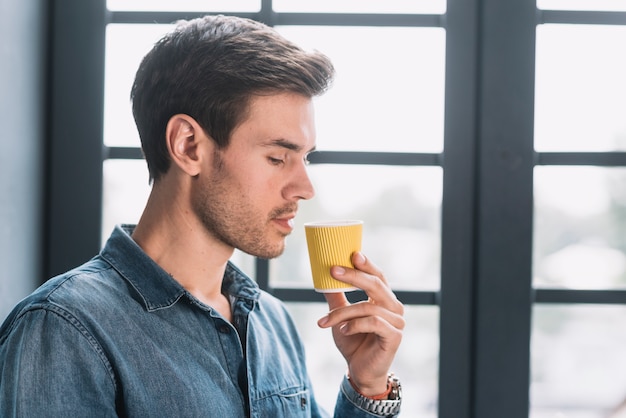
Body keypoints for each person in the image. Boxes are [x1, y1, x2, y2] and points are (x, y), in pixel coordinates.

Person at [0, 15, 404, 417]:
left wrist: (367, 387)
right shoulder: (64, 329)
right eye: (277, 157)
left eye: (305, 158)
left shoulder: (271, 323)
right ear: (188, 146)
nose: (305, 187)